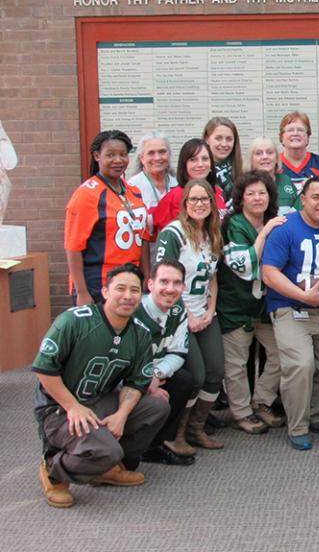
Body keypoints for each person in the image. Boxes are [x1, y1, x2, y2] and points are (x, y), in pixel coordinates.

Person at [34, 263, 169, 508]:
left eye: (134, 290)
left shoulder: (139, 333)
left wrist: (121, 414)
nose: (128, 296)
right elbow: (45, 369)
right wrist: (72, 406)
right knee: (109, 450)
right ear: (105, 291)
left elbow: (136, 381)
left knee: (157, 407)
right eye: (120, 288)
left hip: (100, 400)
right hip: (58, 408)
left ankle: (103, 468)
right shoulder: (74, 321)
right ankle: (55, 470)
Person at [261, 176, 319, 450]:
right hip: (289, 308)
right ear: (303, 198)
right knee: (301, 364)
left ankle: (316, 414)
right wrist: (302, 295)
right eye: (316, 197)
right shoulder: (285, 229)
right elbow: (269, 273)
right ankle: (297, 425)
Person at [155, 178, 224, 451]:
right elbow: (165, 282)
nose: (199, 204)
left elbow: (213, 278)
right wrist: (189, 316)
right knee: (196, 374)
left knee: (216, 371)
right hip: (179, 316)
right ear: (185, 204)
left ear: (212, 203)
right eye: (193, 199)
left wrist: (210, 310)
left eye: (204, 199)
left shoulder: (212, 234)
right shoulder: (173, 234)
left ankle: (197, 428)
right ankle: (176, 433)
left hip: (204, 313)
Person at [217, 171, 288, 436]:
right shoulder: (235, 224)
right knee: (236, 364)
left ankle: (261, 400)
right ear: (241, 198)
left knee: (282, 352)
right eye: (251, 193)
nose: (258, 198)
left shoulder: (273, 220)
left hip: (264, 305)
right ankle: (241, 412)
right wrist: (265, 232)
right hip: (235, 305)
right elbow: (245, 266)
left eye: (262, 193)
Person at [65, 130, 149, 306]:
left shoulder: (134, 192)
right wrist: (81, 292)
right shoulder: (86, 195)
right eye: (110, 155)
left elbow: (143, 238)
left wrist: (146, 277)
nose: (118, 160)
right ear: (97, 156)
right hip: (98, 284)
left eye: (123, 154)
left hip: (130, 280)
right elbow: (73, 247)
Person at [135, 260, 196, 466]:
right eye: (164, 282)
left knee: (184, 380)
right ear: (150, 284)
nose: (170, 289)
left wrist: (157, 374)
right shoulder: (135, 311)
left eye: (177, 283)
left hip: (154, 372)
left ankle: (157, 444)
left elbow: (178, 352)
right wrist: (145, 379)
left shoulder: (178, 308)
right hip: (128, 376)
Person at [152, 139, 228, 234]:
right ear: (184, 164)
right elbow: (162, 236)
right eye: (193, 159)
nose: (200, 164)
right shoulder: (174, 196)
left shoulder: (217, 191)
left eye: (205, 159)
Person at [128, 131, 177, 239]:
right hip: (145, 252)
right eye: (151, 153)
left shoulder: (178, 184)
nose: (157, 157)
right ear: (142, 158)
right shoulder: (132, 187)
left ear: (169, 155)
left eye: (162, 152)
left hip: (175, 253)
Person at [248, 136, 300, 214]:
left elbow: (297, 210)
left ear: (276, 158)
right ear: (251, 160)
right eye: (259, 153)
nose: (265, 157)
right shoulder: (244, 184)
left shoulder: (285, 180)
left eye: (270, 152)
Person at [278, 111, 319, 191]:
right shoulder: (273, 165)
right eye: (290, 130)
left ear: (308, 136)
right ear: (282, 137)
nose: (295, 133)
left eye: (300, 130)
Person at [204, 116, 243, 202]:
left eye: (229, 139)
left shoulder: (243, 171)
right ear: (207, 139)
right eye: (218, 138)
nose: (224, 144)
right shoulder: (200, 171)